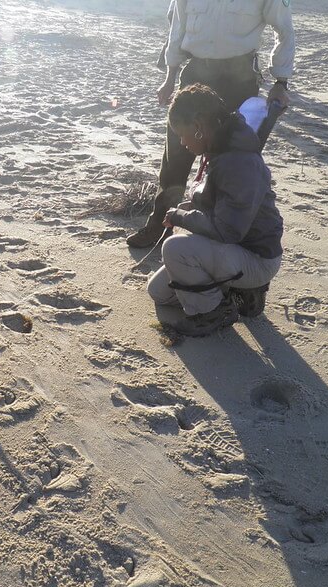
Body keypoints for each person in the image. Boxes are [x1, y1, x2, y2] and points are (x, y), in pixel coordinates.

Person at [126, 0, 295, 248]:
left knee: (228, 160)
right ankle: (158, 226)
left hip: (238, 78)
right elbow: (178, 26)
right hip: (195, 73)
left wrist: (281, 81)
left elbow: (285, 28)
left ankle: (214, 232)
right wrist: (170, 77)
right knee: (175, 156)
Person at [147, 84, 284, 337]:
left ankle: (215, 311)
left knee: (175, 248)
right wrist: (192, 207)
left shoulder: (238, 162)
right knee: (159, 292)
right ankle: (232, 291)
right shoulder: (219, 146)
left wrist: (181, 216)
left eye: (181, 133)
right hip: (235, 249)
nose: (181, 141)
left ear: (198, 126)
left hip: (256, 257)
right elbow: (220, 204)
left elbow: (228, 230)